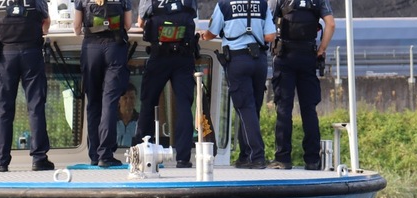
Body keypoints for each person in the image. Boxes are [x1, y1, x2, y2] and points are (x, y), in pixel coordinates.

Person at [201, 0, 275, 169]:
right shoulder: (262, 4)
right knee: (252, 109)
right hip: (259, 61)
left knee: (244, 108)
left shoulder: (224, 5)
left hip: (237, 60)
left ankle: (257, 156)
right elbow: (270, 36)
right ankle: (245, 155)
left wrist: (204, 35)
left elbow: (211, 33)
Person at [267, 0, 335, 170]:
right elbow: (331, 24)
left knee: (283, 108)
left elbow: (267, 23)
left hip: (284, 56)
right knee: (309, 109)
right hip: (308, 56)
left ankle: (282, 158)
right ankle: (312, 160)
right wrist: (321, 49)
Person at [0, 0, 54, 172]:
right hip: (31, 53)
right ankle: (39, 158)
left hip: (5, 56)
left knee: (3, 110)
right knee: (35, 107)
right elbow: (46, 22)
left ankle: (1, 162)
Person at [133, 0, 197, 168]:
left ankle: (142, 154)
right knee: (184, 106)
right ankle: (183, 158)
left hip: (159, 56)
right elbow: (192, 17)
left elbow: (140, 23)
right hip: (184, 56)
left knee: (148, 102)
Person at [74, 0, 133, 167]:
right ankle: (105, 155)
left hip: (91, 49)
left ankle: (94, 154)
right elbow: (128, 25)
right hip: (115, 48)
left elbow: (77, 28)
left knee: (93, 102)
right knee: (110, 102)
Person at [116, 82, 139, 147]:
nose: (128, 101)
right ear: (119, 100)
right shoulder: (110, 120)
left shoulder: (141, 121)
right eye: (125, 98)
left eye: (131, 98)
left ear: (136, 99)